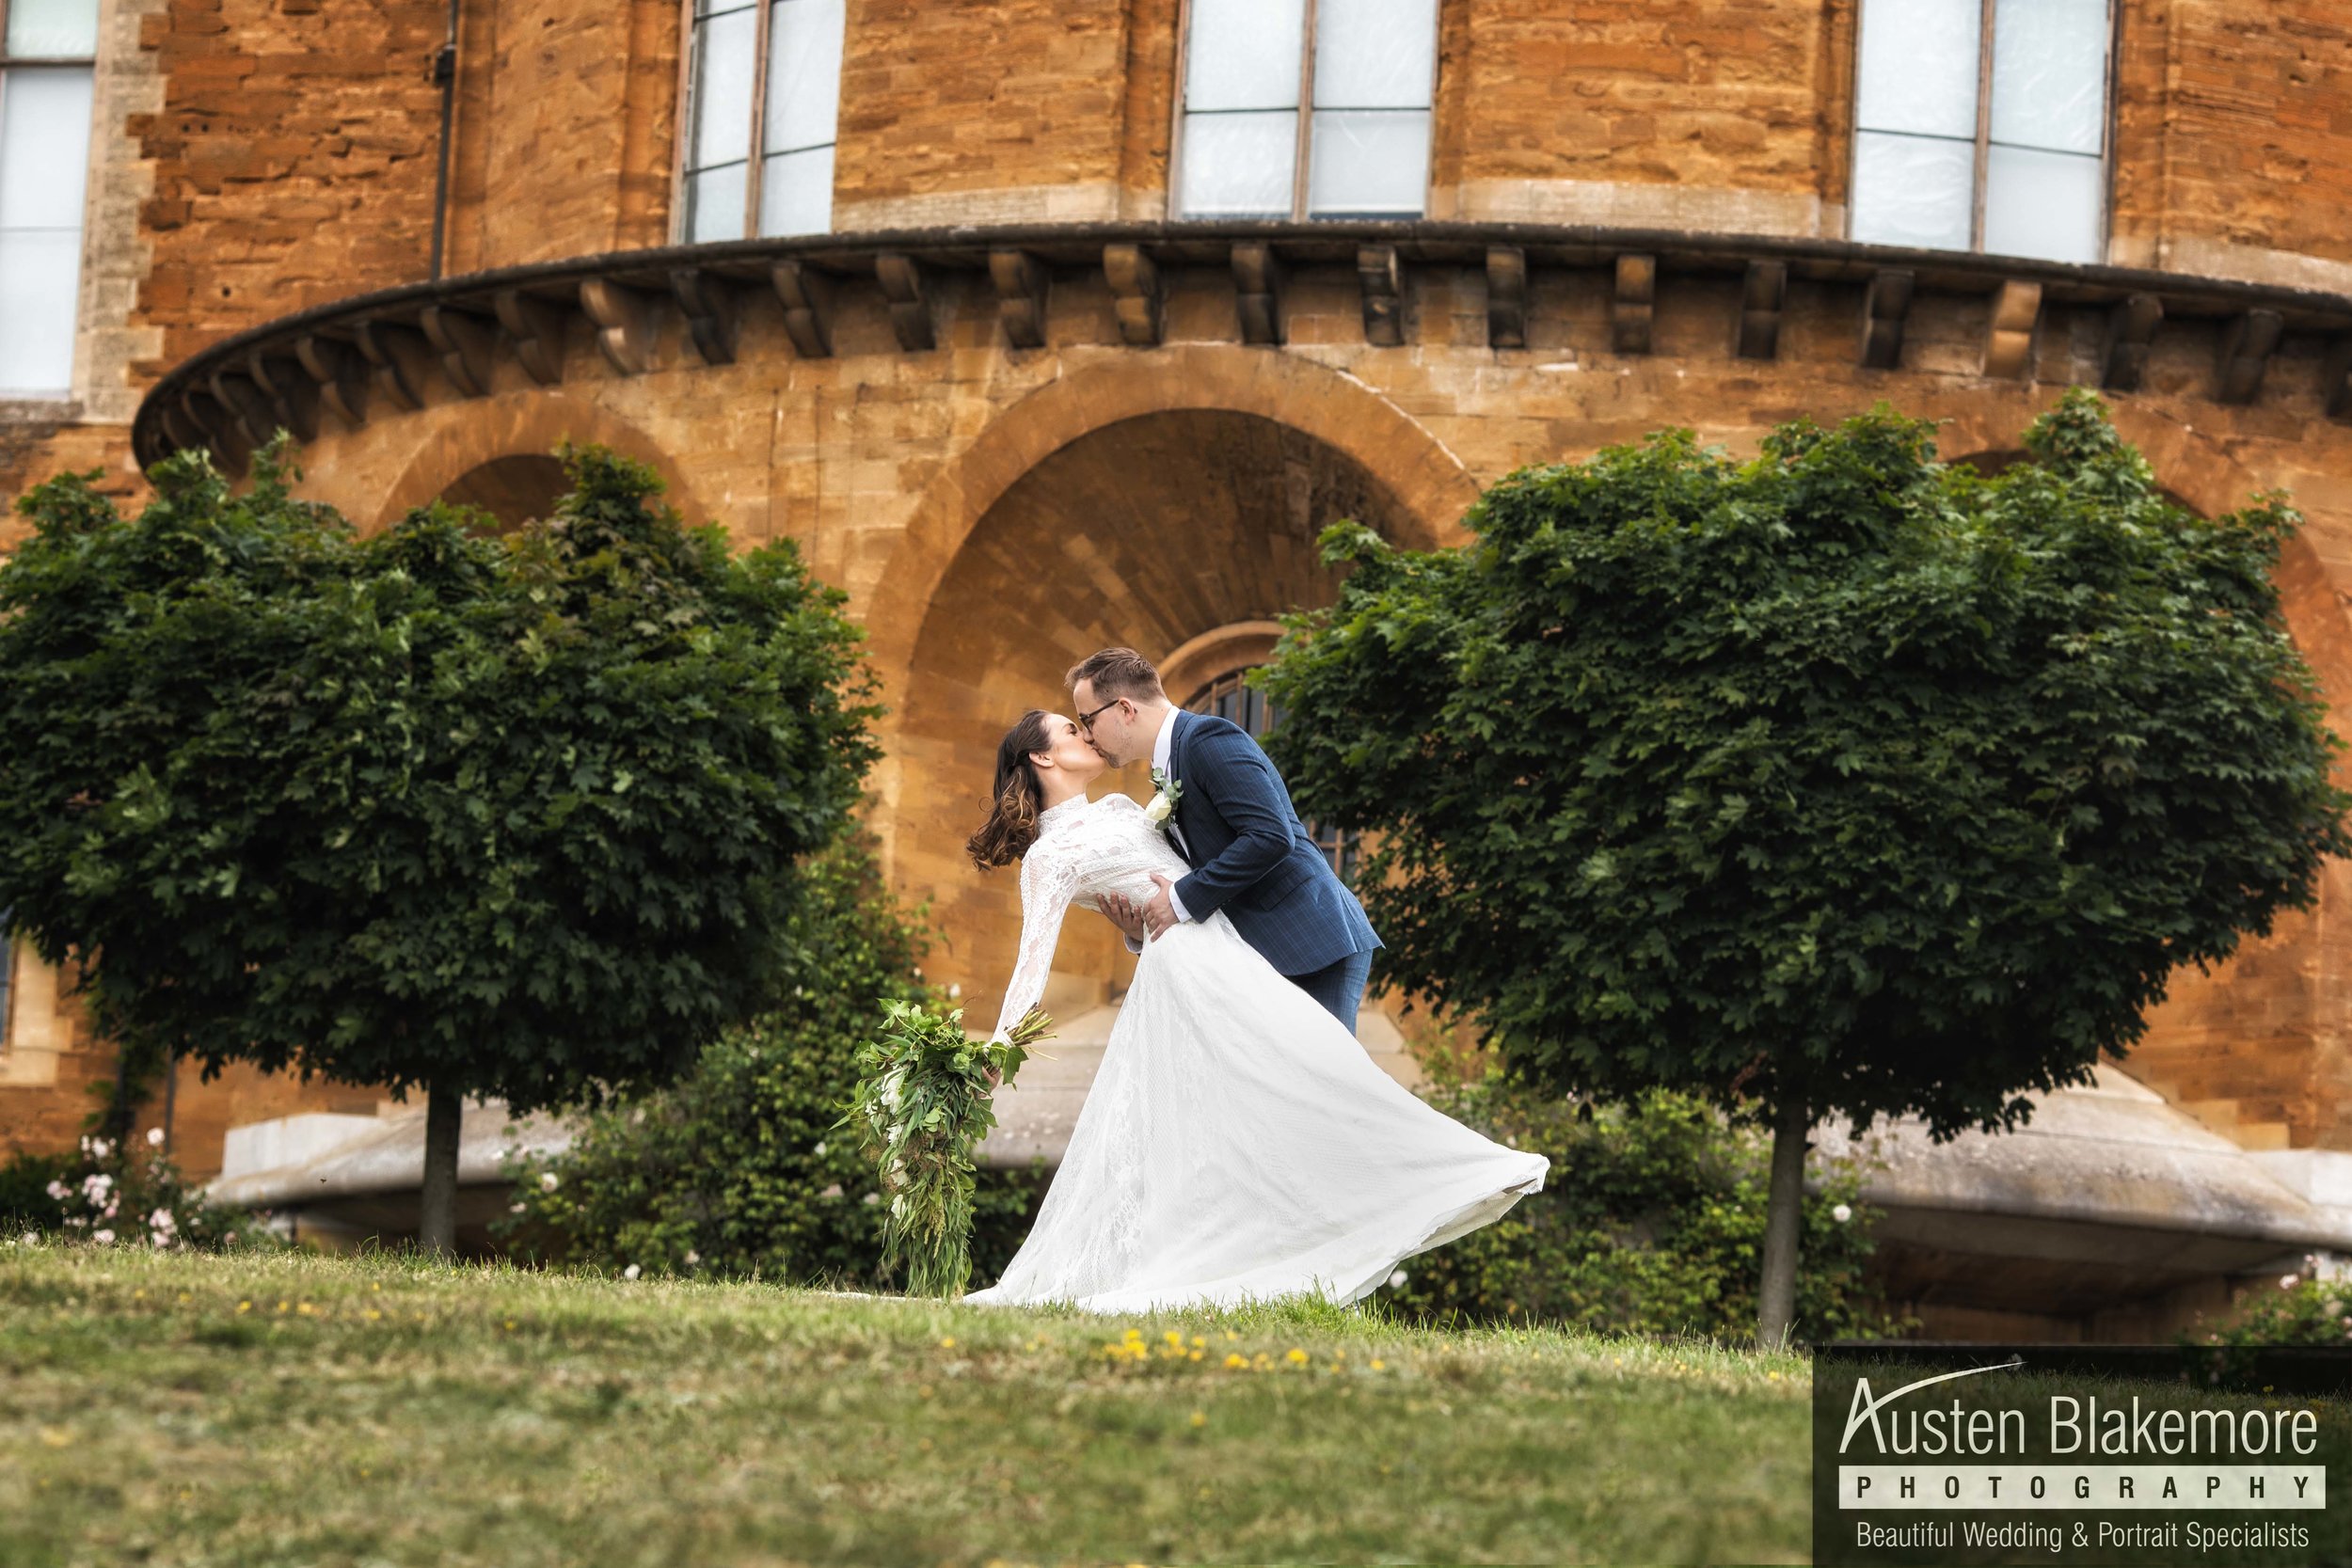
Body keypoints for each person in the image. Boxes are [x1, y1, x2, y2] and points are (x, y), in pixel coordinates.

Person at [957, 705, 1548, 1314]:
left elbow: (1178, 885)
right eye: (1071, 730)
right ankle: (1452, 1177)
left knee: (1305, 1076)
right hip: (1183, 975)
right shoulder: (1047, 858)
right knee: (1274, 1093)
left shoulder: (1120, 809)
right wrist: (1002, 1049)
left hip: (1230, 948)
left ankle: (1448, 1177)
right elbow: (1034, 960)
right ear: (1043, 757)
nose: (1086, 733)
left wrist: (1138, 927)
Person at [1069, 647, 1383, 1033]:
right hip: (1263, 952)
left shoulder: (1206, 738)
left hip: (1309, 942)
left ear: (1125, 709)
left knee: (1325, 1090)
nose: (1086, 735)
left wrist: (1180, 899)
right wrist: (1143, 926)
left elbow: (1270, 836)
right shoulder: (1170, 761)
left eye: (1087, 720)